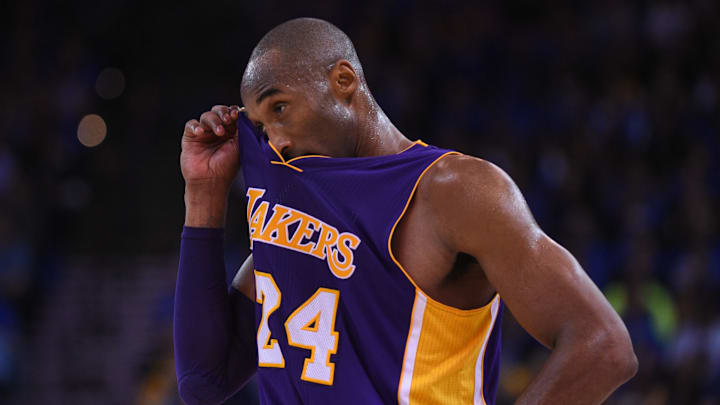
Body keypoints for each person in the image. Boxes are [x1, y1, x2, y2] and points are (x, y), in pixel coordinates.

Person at [174, 17, 637, 405]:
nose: (276, 140)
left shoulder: (454, 190)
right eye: (259, 125)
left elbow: (603, 346)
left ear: (343, 81)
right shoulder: (290, 217)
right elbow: (203, 381)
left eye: (280, 108)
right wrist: (204, 196)